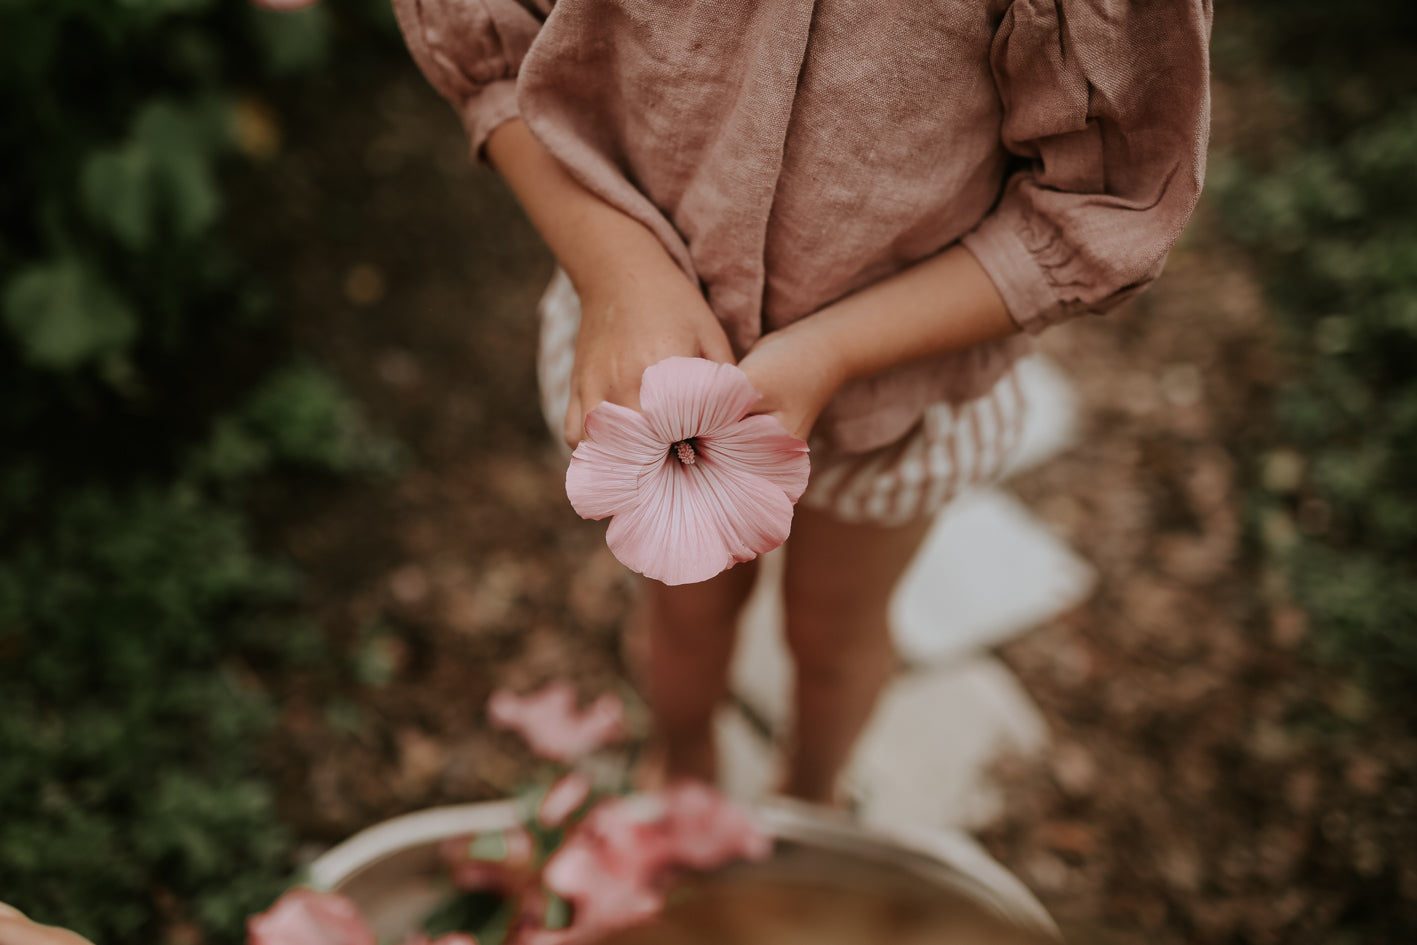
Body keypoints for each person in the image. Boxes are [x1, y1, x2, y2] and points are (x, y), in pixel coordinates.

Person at [393, 0, 1211, 804]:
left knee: (832, 638)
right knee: (681, 619)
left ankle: (809, 792)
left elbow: (1097, 211)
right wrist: (612, 266)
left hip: (894, 397)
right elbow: (486, 39)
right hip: (647, 359)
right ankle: (681, 772)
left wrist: (832, 351)